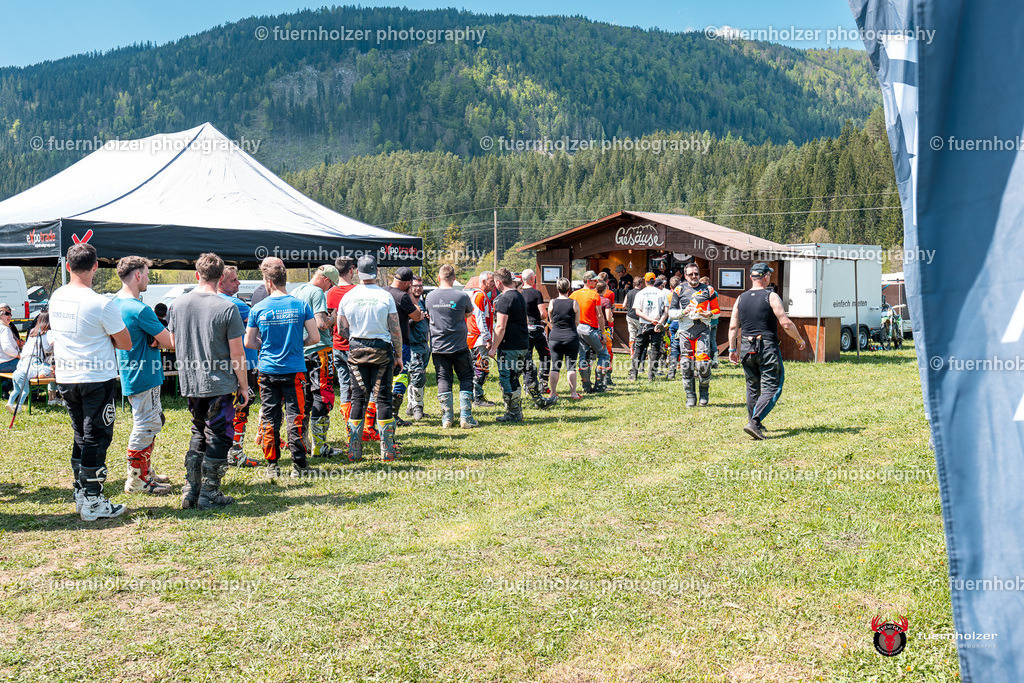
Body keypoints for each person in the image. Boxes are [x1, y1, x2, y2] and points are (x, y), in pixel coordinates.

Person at [48, 243, 132, 521]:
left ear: (68, 267)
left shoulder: (57, 296)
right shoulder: (101, 302)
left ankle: (82, 494)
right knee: (96, 438)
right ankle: (93, 501)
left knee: (81, 436)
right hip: (96, 377)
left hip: (67, 378)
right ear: (96, 266)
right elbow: (125, 342)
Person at [168, 253, 250, 509]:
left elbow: (173, 343)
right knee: (220, 436)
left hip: (192, 382)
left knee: (198, 432)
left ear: (197, 275)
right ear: (221, 277)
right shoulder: (227, 308)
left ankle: (191, 491)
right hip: (219, 382)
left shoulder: (178, 305)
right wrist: (245, 387)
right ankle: (208, 494)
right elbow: (237, 353)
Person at [246, 257, 320, 477]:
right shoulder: (301, 305)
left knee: (270, 416)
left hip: (268, 370)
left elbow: (249, 342)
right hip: (294, 369)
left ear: (268, 282)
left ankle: (272, 466)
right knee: (295, 415)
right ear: (284, 280)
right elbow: (315, 337)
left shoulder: (258, 308)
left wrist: (265, 347)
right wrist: (298, 344)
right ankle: (299, 465)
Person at [114, 255, 175, 495]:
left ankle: (144, 471)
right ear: (138, 275)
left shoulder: (115, 303)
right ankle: (137, 479)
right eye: (147, 273)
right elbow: (169, 341)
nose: (148, 278)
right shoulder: (139, 309)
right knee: (145, 425)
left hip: (132, 371)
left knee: (151, 422)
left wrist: (153, 341)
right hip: (144, 374)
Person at [729, 262, 807, 440]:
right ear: (765, 277)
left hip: (747, 349)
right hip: (766, 347)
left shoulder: (740, 298)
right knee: (773, 387)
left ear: (751, 277)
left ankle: (754, 421)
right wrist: (799, 339)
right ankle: (754, 422)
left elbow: (733, 326)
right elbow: (785, 322)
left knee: (752, 387)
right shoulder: (771, 296)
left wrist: (733, 349)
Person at [337, 255, 403, 461]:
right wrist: (399, 355)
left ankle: (354, 450)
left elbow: (341, 329)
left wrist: (356, 337)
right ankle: (387, 450)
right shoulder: (386, 296)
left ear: (357, 271)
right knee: (383, 398)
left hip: (356, 347)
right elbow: (395, 329)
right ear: (376, 272)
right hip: (382, 349)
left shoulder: (348, 296)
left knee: (358, 398)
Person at [292, 264, 343, 458]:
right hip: (319, 350)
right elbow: (322, 323)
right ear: (325, 279)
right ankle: (320, 445)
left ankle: (302, 441)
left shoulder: (297, 290)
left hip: (300, 351)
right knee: (323, 394)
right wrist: (334, 317)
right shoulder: (317, 293)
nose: (329, 288)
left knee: (302, 398)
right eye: (330, 284)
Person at [425, 265, 478, 428]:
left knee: (443, 379)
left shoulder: (430, 297)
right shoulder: (462, 296)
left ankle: (447, 418)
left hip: (438, 345)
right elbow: (468, 314)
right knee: (466, 377)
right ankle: (466, 418)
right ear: (454, 278)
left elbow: (429, 315)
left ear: (439, 277)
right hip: (459, 344)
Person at [219, 266, 261, 468]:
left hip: (222, 365)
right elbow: (258, 324)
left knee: (226, 409)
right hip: (245, 363)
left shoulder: (213, 301)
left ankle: (227, 451)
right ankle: (235, 452)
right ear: (221, 282)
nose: (238, 283)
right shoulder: (237, 305)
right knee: (242, 407)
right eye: (234, 280)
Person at [487, 267, 533, 422]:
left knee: (506, 378)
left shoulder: (504, 299)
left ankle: (513, 413)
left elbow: (500, 326)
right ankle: (516, 411)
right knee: (514, 377)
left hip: (509, 346)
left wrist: (493, 347)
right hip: (522, 344)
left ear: (498, 282)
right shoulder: (519, 296)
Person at [671, 263, 720, 407]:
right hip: (685, 330)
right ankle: (690, 396)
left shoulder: (708, 289)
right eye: (690, 274)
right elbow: (671, 312)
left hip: (703, 329)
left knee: (703, 364)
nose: (694, 277)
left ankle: (704, 394)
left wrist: (709, 313)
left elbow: (718, 310)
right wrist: (682, 312)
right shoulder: (679, 290)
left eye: (696, 274)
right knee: (686, 365)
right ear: (685, 276)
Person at [386, 267, 424, 425]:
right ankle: (393, 415)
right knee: (400, 377)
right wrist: (409, 295)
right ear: (408, 283)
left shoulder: (383, 291)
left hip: (383, 341)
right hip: (401, 343)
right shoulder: (403, 296)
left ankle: (382, 414)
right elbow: (417, 316)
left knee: (384, 378)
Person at [325, 258, 357, 424]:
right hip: (356, 345)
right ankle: (363, 423)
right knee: (360, 385)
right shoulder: (357, 291)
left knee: (345, 385)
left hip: (337, 344)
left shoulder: (330, 293)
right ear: (351, 270)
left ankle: (347, 423)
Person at [570, 271, 611, 393]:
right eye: (594, 280)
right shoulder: (594, 295)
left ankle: (586, 386)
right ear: (588, 281)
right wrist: (603, 333)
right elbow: (599, 315)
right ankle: (599, 384)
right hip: (590, 329)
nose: (597, 282)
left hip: (578, 329)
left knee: (583, 356)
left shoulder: (573, 295)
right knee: (604, 354)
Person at [6, 312, 53, 411]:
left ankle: (10, 403)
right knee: (25, 390)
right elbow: (54, 345)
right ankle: (19, 406)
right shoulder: (49, 333)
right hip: (34, 362)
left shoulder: (32, 331)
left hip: (22, 363)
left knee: (16, 390)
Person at [545, 277, 581, 403]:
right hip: (571, 336)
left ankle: (553, 393)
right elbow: (577, 322)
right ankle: (573, 393)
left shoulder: (552, 302)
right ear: (569, 289)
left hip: (555, 337)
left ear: (557, 288)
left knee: (555, 366)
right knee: (571, 366)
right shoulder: (574, 303)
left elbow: (551, 320)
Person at [520, 268, 550, 405]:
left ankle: (527, 384)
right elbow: (543, 313)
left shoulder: (518, 293)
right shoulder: (536, 293)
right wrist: (545, 317)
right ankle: (543, 382)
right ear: (533, 279)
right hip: (536, 328)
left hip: (524, 330)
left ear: (522, 279)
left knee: (527, 357)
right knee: (545, 355)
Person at [630, 274, 669, 382]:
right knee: (656, 349)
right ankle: (651, 375)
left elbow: (637, 311)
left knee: (639, 348)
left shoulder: (640, 293)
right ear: (655, 280)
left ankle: (634, 373)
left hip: (644, 324)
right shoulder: (661, 293)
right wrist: (660, 321)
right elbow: (666, 311)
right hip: (657, 324)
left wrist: (649, 319)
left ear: (646, 281)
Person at [466, 271, 495, 406]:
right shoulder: (479, 297)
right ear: (483, 282)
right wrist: (488, 338)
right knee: (480, 368)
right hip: (478, 338)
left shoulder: (481, 296)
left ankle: (477, 395)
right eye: (491, 281)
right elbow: (480, 319)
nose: (494, 284)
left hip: (478, 338)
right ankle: (477, 397)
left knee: (481, 367)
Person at [405, 275, 431, 420]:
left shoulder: (422, 303)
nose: (418, 288)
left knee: (418, 378)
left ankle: (411, 405)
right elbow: (402, 324)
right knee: (418, 376)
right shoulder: (407, 303)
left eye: (420, 285)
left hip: (424, 345)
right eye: (415, 285)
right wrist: (414, 319)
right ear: (409, 286)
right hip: (412, 346)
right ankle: (417, 407)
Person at [596, 280, 615, 386]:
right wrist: (612, 319)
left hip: (593, 328)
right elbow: (608, 317)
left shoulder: (593, 299)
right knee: (608, 353)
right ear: (605, 289)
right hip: (605, 329)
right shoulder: (606, 301)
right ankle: (607, 377)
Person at [700, 276, 721, 368]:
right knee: (713, 340)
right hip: (714, 320)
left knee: (705, 340)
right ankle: (715, 360)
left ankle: (707, 359)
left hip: (707, 320)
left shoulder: (704, 292)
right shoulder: (715, 293)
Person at [0, 302, 21, 397]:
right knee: (28, 366)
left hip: (3, 362)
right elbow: (7, 347)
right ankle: (6, 388)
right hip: (5, 363)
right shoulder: (4, 329)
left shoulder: (4, 327)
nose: (10, 316)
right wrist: (18, 355)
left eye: (10, 313)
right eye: (7, 314)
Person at [624, 277, 646, 356]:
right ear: (640, 284)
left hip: (630, 316)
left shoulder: (629, 292)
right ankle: (642, 352)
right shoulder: (642, 293)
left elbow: (623, 305)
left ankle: (632, 352)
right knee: (641, 335)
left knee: (632, 335)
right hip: (639, 317)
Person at [666, 275, 682, 380]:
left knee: (674, 346)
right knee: (687, 346)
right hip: (684, 322)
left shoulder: (669, 295)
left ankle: (672, 370)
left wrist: (667, 323)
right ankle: (687, 369)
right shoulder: (686, 294)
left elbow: (669, 312)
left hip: (673, 323)